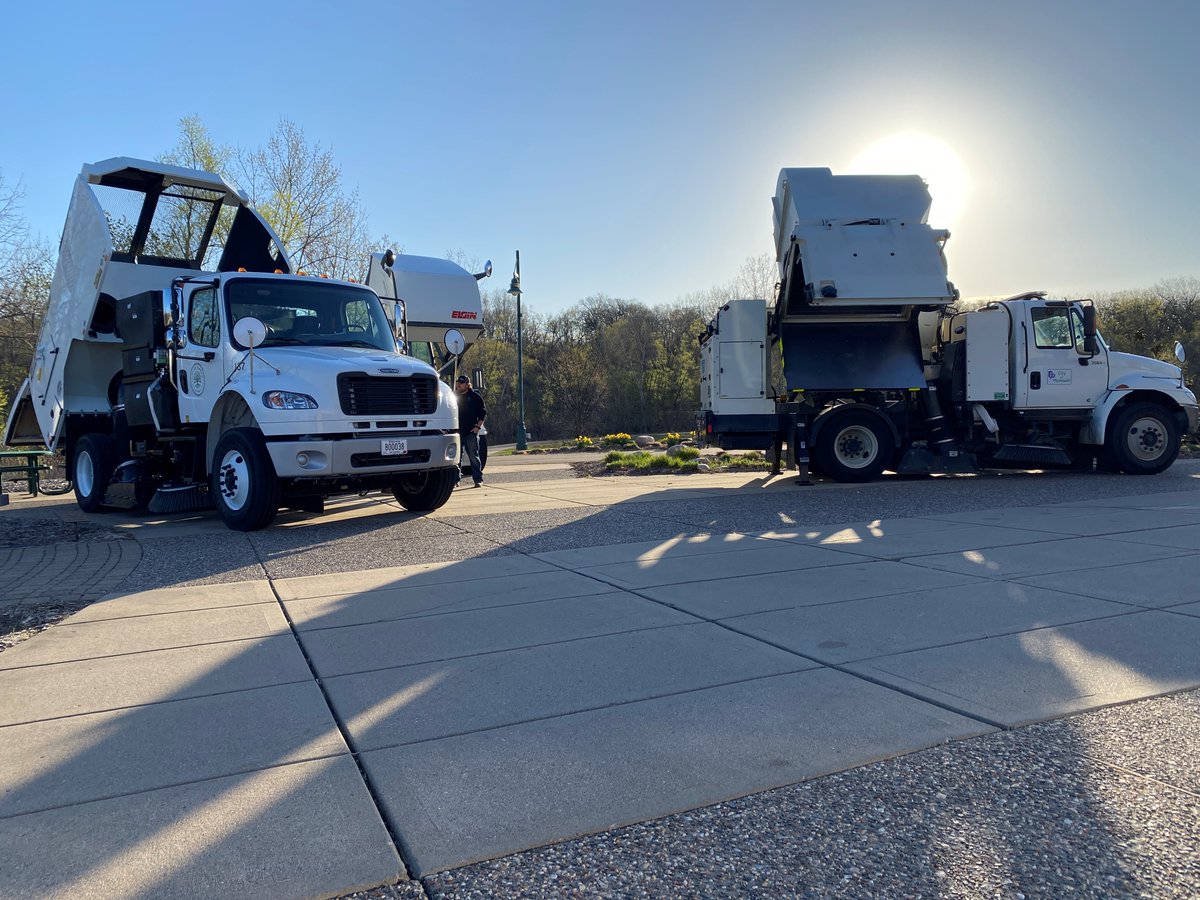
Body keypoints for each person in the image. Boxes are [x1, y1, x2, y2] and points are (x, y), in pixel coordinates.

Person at [454, 374, 487, 487]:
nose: (459, 385)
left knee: (473, 456)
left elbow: (482, 414)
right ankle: (455, 480)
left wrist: (477, 427)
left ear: (467, 385)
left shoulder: (475, 397)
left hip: (470, 432)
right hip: (457, 432)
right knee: (456, 458)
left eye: (462, 383)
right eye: (458, 382)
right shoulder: (453, 397)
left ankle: (478, 479)